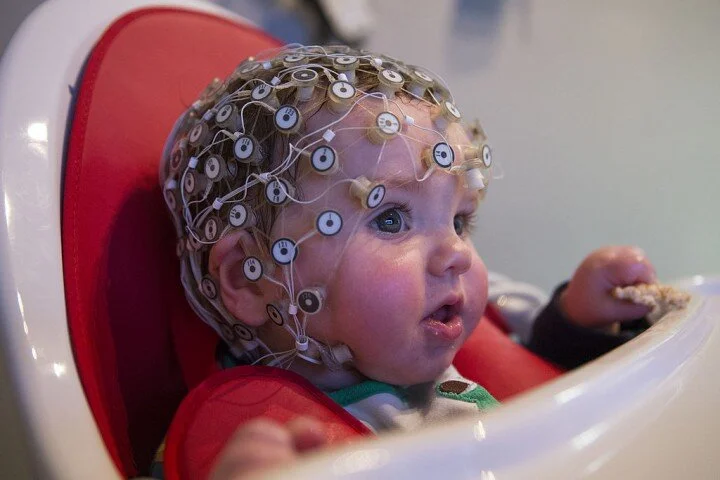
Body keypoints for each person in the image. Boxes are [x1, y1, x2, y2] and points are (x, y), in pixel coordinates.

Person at [159, 44, 656, 479]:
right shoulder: (259, 448)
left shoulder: (444, 335)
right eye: (392, 219)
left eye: (460, 220)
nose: (457, 253)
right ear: (249, 279)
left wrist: (576, 327)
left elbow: (539, 385)